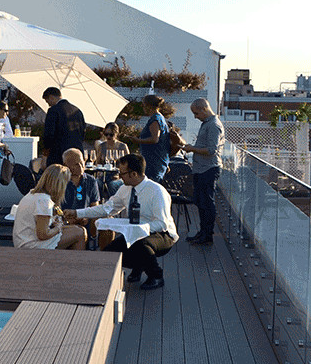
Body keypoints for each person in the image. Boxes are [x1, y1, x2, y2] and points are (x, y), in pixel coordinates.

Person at [64, 153, 177, 290]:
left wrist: (140, 229)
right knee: (110, 253)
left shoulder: (157, 192)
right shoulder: (125, 189)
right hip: (136, 232)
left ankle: (156, 276)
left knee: (141, 244)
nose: (119, 176)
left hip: (162, 235)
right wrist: (77, 213)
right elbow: (107, 209)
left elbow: (162, 224)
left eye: (122, 173)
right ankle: (138, 266)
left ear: (134, 174)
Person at [12, 164, 88, 250]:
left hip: (24, 240)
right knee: (79, 232)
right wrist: (58, 228)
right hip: (31, 245)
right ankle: (76, 262)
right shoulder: (44, 201)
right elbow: (43, 234)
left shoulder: (34, 194)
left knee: (77, 229)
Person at [179, 98, 223, 245]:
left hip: (208, 169)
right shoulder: (207, 124)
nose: (195, 117)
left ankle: (207, 234)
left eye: (196, 113)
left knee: (207, 202)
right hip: (201, 169)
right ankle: (203, 232)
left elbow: (211, 150)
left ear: (204, 109)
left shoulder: (214, 126)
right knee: (200, 201)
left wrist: (192, 148)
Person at [60, 148, 102, 245]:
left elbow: (95, 206)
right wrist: (67, 220)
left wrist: (87, 216)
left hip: (85, 219)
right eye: (76, 164)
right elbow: (54, 207)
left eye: (81, 162)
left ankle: (93, 244)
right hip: (64, 222)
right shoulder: (60, 181)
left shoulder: (91, 181)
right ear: (66, 165)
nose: (80, 166)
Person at [128, 94, 169, 182]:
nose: (142, 107)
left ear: (148, 106)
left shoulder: (155, 119)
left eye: (143, 105)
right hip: (157, 160)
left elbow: (155, 139)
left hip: (153, 162)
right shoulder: (160, 118)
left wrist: (138, 140)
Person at [41, 87, 85, 167]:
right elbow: (82, 133)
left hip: (58, 155)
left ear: (51, 97)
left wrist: (45, 151)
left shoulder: (53, 110)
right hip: (77, 153)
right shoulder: (77, 111)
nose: (48, 104)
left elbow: (49, 134)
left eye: (48, 101)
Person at [95, 122, 129, 196]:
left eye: (111, 134)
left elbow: (128, 164)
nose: (108, 137)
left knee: (112, 185)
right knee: (95, 183)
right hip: (104, 175)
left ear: (116, 134)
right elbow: (98, 163)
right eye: (106, 134)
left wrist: (121, 174)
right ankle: (98, 203)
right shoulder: (102, 146)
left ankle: (114, 204)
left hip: (118, 176)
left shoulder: (123, 147)